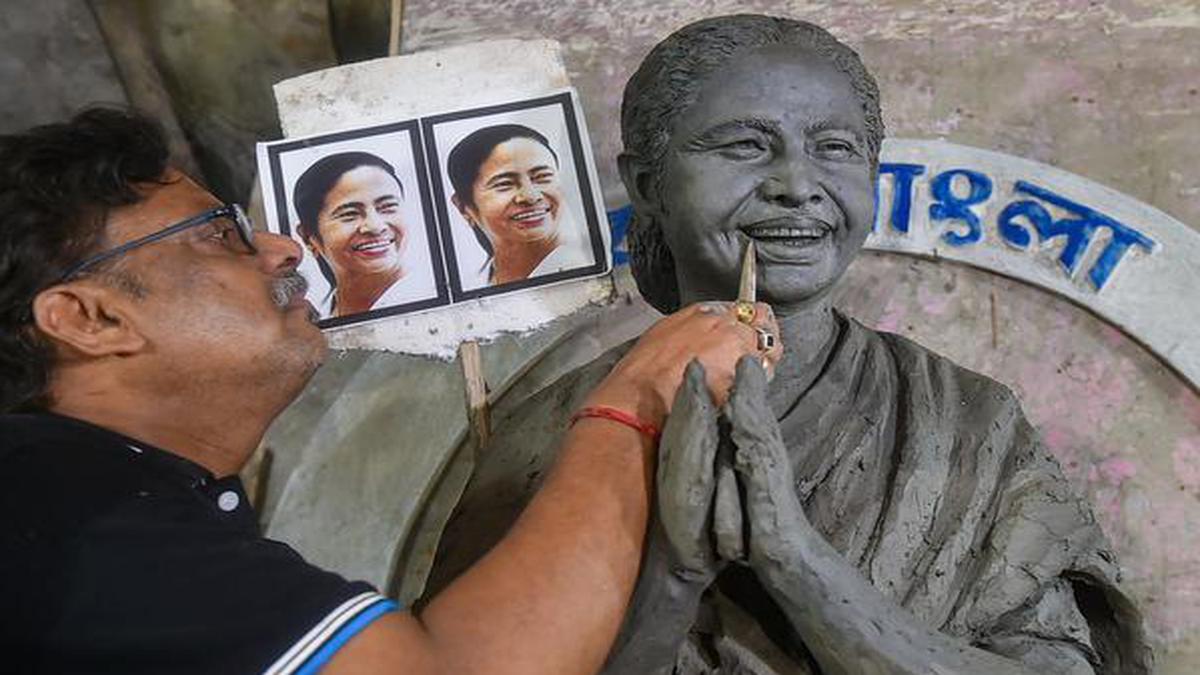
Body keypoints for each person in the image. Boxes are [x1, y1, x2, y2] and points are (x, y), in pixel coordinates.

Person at [420, 14, 1152, 675]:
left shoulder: (970, 424)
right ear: (648, 182)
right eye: (744, 145)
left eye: (835, 147)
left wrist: (801, 565)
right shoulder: (551, 430)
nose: (798, 185)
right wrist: (669, 576)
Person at [0, 108, 782, 674]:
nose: (277, 248)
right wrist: (641, 394)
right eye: (220, 233)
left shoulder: (100, 500)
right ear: (87, 317)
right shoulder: (72, 523)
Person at [447, 123, 593, 289]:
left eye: (542, 177)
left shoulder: (583, 269)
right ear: (462, 207)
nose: (531, 196)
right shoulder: (473, 285)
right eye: (505, 184)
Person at [293, 151, 431, 317]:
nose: (375, 226)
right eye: (349, 214)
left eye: (387, 207)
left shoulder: (429, 295)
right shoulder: (316, 317)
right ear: (308, 237)